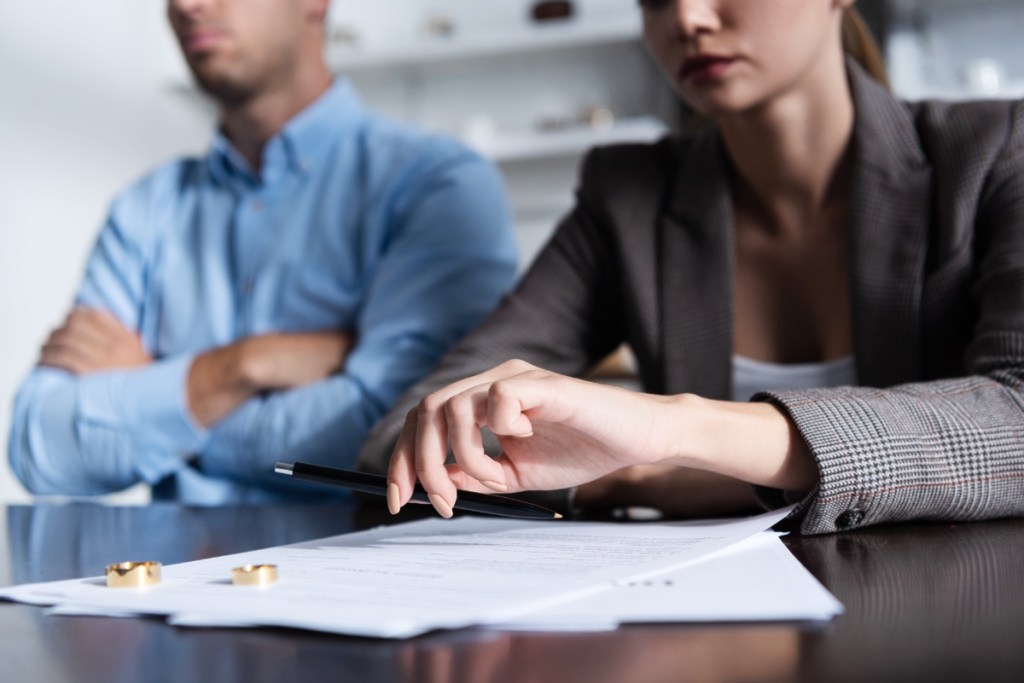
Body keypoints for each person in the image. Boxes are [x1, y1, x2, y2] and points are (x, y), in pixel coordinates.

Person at [359, 0, 1024, 534]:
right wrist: (631, 474)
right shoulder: (627, 197)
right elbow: (414, 432)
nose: (687, 18)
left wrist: (665, 431)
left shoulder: (993, 153)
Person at [8, 0, 518, 503]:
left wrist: (158, 401)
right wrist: (243, 365)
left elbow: (404, 436)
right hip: (166, 577)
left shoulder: (437, 185)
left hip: (363, 569)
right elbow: (40, 446)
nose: (187, 5)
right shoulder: (144, 208)